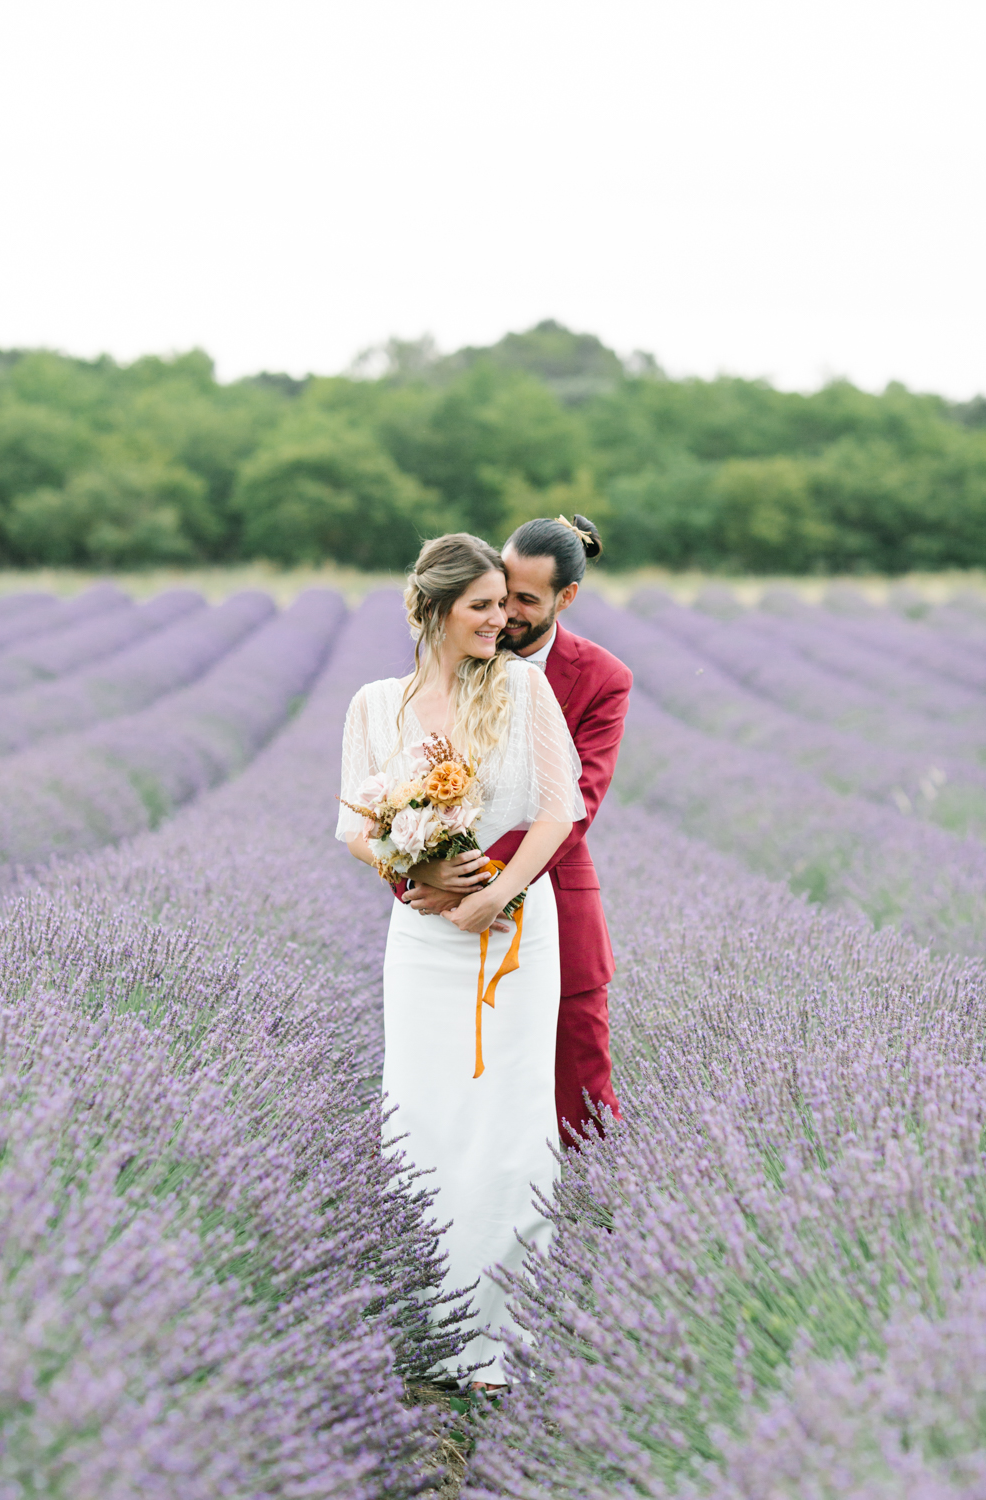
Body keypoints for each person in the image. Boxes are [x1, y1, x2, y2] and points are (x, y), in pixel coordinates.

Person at [336, 532, 585, 1389]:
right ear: (433, 611)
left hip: (512, 928)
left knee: (509, 1122)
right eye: (481, 606)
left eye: (504, 605)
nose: (500, 621)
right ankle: (425, 1323)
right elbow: (351, 828)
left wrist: (491, 892)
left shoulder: (521, 687)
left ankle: (502, 1335)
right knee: (422, 1117)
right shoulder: (375, 705)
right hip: (421, 939)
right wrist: (414, 868)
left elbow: (561, 810)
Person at [403, 515, 632, 1146]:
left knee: (580, 1090)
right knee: (468, 1089)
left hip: (552, 896)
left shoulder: (602, 678)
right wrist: (427, 872)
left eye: (525, 601)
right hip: (451, 905)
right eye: (501, 594)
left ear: (568, 598)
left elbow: (578, 802)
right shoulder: (462, 652)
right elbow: (409, 785)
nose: (506, 615)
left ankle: (605, 1221)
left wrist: (483, 880)